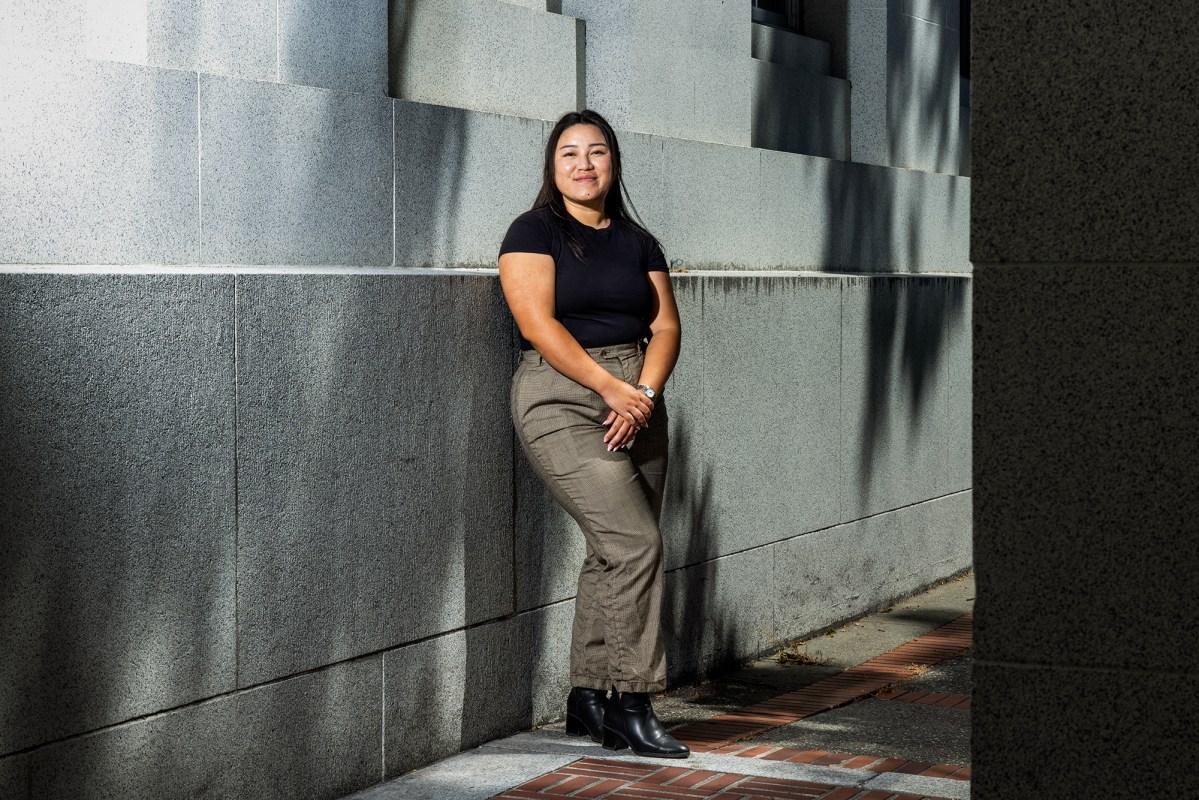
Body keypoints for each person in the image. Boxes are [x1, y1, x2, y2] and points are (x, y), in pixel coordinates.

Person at [498, 109, 688, 759]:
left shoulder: (639, 240)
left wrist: (644, 395)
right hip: (562, 396)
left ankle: (587, 696)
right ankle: (630, 705)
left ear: (613, 163)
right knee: (635, 544)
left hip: (637, 398)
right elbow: (537, 323)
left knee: (614, 548)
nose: (584, 164)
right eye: (569, 154)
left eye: (597, 152)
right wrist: (613, 391)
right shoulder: (533, 231)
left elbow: (664, 328)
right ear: (553, 168)